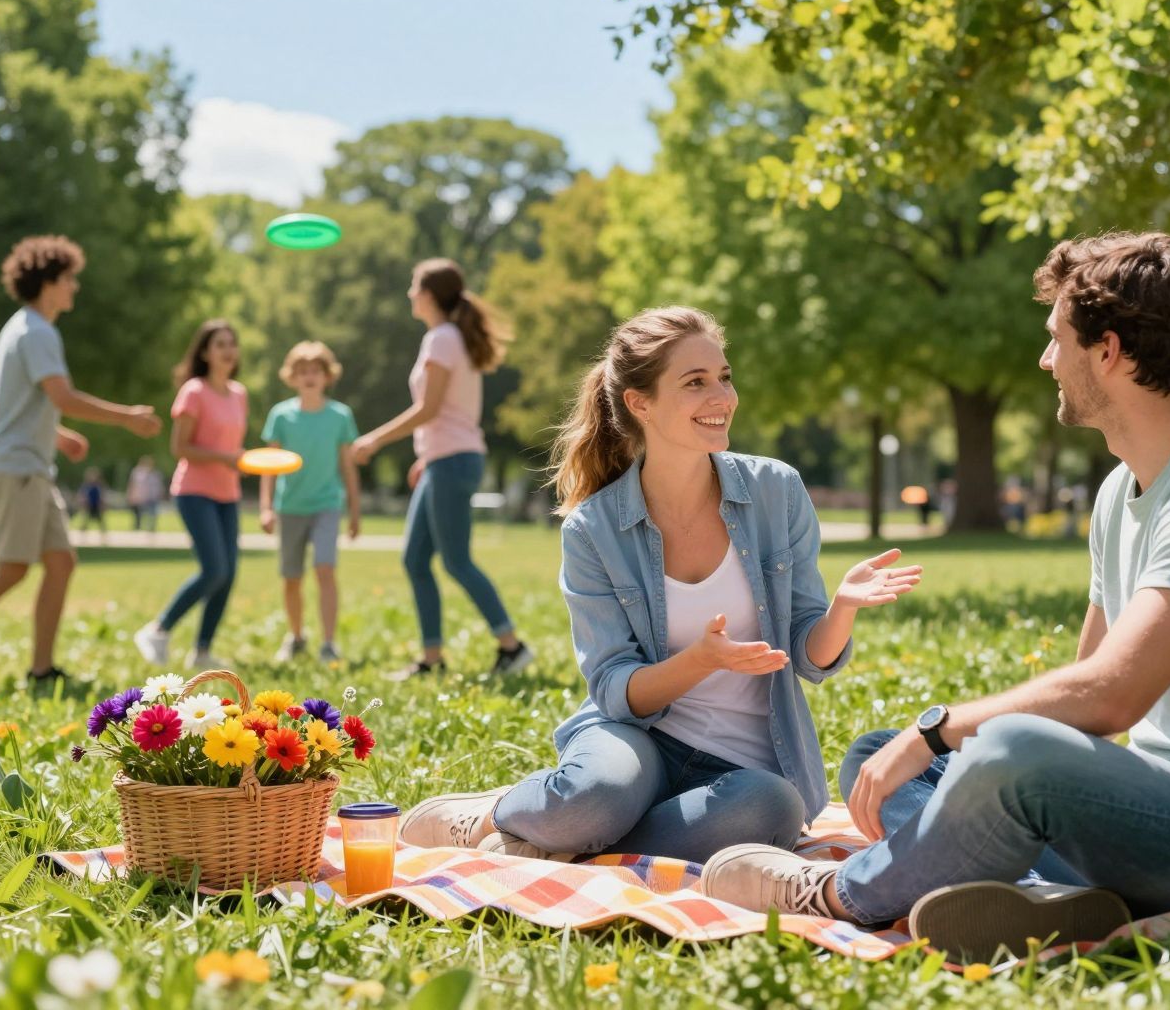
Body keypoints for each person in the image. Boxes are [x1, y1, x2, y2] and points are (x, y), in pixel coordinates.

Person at [699, 231, 1170, 963]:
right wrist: (931, 751)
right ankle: (1055, 903)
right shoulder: (1121, 489)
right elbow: (1088, 713)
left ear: (1107, 351)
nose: (1046, 361)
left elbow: (1111, 696)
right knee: (879, 760)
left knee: (992, 752)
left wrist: (941, 731)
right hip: (1167, 812)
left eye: (1056, 341)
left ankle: (837, 893)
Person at [397, 307, 922, 863]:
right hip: (634, 739)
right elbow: (615, 687)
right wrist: (700, 660)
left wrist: (840, 608)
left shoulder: (778, 490)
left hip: (744, 769)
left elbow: (808, 657)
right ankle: (498, 814)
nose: (722, 397)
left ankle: (570, 842)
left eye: (724, 377)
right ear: (639, 402)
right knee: (596, 796)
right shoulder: (593, 529)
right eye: (695, 383)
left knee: (772, 809)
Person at [0, 235, 161, 687]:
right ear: (47, 283)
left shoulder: (26, 328)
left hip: (28, 464)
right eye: (69, 279)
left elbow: (25, 404)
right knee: (12, 566)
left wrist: (59, 436)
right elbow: (61, 396)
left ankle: (42, 670)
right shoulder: (36, 332)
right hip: (15, 467)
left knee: (61, 562)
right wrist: (127, 417)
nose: (75, 288)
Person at [351, 258, 532, 677]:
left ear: (429, 295)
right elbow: (446, 411)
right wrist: (425, 457)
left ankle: (513, 646)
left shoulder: (442, 339)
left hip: (453, 460)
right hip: (443, 460)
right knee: (416, 560)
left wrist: (375, 439)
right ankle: (431, 660)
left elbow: (428, 408)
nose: (411, 294)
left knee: (456, 561)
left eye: (415, 287)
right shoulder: (449, 338)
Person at [133, 320, 248, 670]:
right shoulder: (194, 392)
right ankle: (158, 629)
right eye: (219, 344)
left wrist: (241, 461)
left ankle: (201, 650)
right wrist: (226, 458)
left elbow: (231, 444)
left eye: (232, 343)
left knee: (228, 573)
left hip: (228, 492)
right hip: (194, 491)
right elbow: (180, 447)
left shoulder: (240, 393)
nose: (228, 350)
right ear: (204, 352)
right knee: (214, 569)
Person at [260, 340, 361, 663]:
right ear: (292, 376)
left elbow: (348, 466)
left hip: (327, 504)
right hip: (290, 507)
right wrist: (265, 507)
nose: (309, 376)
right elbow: (269, 466)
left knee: (325, 568)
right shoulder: (281, 416)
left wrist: (354, 512)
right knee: (292, 577)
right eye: (302, 371)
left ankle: (329, 643)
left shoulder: (340, 416)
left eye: (315, 370)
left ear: (327, 375)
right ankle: (297, 636)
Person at [127, 455, 163, 532]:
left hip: (153, 497)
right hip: (142, 497)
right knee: (139, 513)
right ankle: (139, 527)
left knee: (152, 513)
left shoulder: (155, 474)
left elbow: (158, 486)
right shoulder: (138, 473)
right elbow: (133, 484)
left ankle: (151, 527)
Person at [75, 467, 107, 538]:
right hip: (89, 505)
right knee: (86, 520)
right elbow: (82, 495)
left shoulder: (98, 486)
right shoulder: (86, 486)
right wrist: (82, 502)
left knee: (100, 520)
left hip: (96, 505)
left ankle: (104, 534)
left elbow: (101, 496)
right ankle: (82, 534)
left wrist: (102, 504)